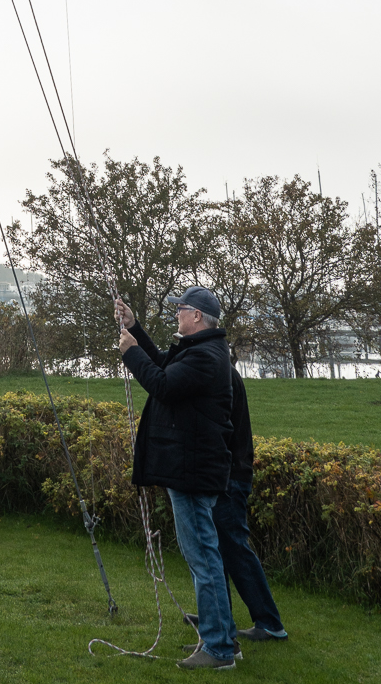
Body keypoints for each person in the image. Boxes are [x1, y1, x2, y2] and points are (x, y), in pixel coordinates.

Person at [116, 286, 237, 671]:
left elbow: (163, 384)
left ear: (197, 317)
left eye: (180, 309)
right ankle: (224, 636)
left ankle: (218, 649)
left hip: (192, 472)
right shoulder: (198, 350)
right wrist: (136, 330)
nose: (177, 314)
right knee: (205, 557)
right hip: (189, 469)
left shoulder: (205, 357)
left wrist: (130, 353)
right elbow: (165, 365)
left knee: (203, 559)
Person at [214, 358, 288, 643]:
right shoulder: (223, 371)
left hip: (231, 476)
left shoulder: (224, 375)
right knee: (218, 548)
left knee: (234, 548)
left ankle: (268, 621)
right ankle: (219, 614)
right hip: (229, 473)